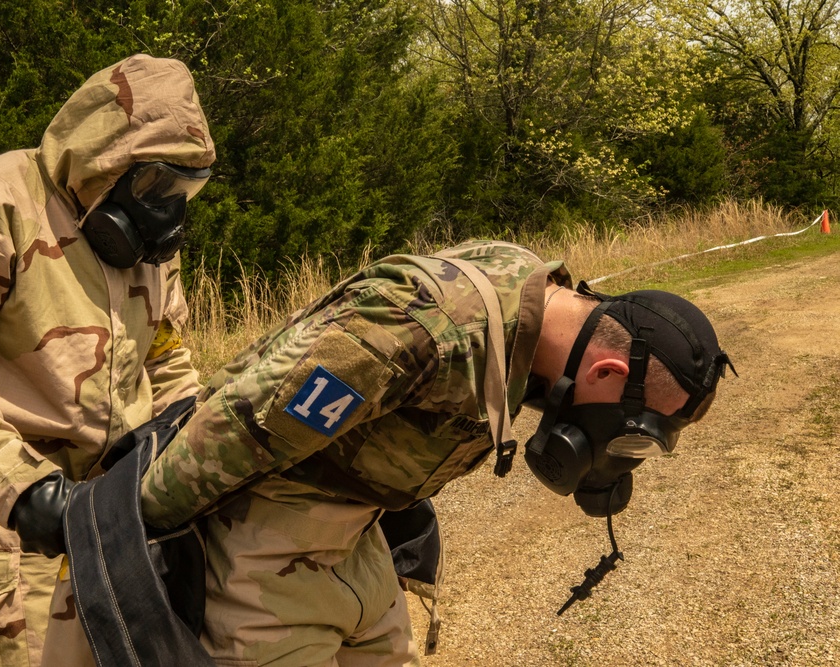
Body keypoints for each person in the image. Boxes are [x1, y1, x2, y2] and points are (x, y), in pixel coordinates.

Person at [137, 240, 733, 666]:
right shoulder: (414, 332)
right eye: (629, 436)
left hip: (358, 537)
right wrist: (120, 527)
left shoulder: (533, 296)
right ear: (606, 369)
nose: (619, 454)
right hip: (264, 544)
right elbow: (234, 433)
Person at [0, 54, 216, 666]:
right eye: (156, 185)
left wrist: (189, 452)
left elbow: (166, 363)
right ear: (103, 157)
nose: (170, 209)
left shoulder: (150, 248)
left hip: (127, 524)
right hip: (15, 535)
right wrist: (28, 493)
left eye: (187, 188)